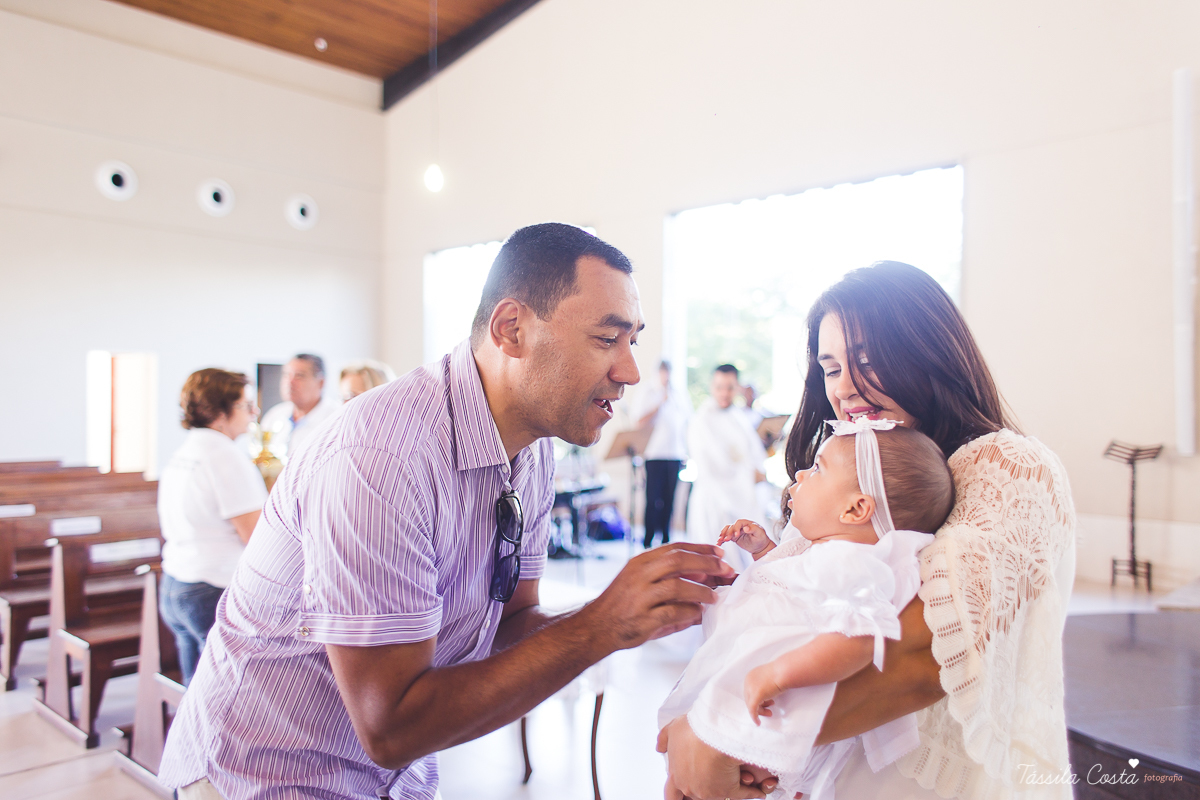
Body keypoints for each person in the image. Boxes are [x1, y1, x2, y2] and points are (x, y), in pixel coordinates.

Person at [158, 223, 735, 800]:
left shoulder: (531, 451)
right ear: (512, 330)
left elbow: (509, 626)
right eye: (606, 340)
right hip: (264, 777)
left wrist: (634, 614)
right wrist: (601, 624)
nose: (630, 371)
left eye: (632, 341)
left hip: (388, 779)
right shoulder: (381, 457)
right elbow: (391, 725)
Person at [659, 261, 1077, 800]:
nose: (846, 388)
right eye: (831, 368)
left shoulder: (1005, 464)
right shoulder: (843, 490)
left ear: (931, 353)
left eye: (868, 360)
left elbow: (922, 654)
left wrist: (722, 732)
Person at [658, 420, 954, 800]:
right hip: (737, 687)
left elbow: (860, 636)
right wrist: (765, 552)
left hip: (764, 702)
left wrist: (780, 674)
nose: (800, 472)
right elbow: (790, 591)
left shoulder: (855, 563)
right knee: (686, 774)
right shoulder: (819, 550)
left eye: (817, 469)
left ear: (855, 508)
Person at [157, 369, 268, 685]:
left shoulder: (187, 450)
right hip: (211, 588)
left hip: (177, 583)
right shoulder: (224, 456)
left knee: (195, 695)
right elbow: (257, 538)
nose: (254, 412)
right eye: (246, 404)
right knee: (222, 695)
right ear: (222, 412)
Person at [687, 364, 768, 568]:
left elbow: (753, 452)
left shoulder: (738, 416)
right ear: (712, 386)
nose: (724, 393)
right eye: (719, 387)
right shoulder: (701, 421)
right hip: (716, 502)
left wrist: (757, 471)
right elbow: (715, 468)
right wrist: (750, 475)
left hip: (742, 500)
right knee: (719, 569)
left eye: (730, 387)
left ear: (737, 387)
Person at [637, 359, 692, 548]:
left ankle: (666, 539)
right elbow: (639, 421)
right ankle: (648, 538)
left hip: (675, 454)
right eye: (663, 372)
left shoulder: (679, 394)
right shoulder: (648, 392)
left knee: (670, 499)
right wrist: (659, 403)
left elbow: (686, 424)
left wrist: (686, 452)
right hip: (654, 454)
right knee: (653, 498)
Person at [260, 353, 336, 459]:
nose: (290, 382)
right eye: (286, 375)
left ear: (321, 383)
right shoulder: (274, 415)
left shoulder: (335, 420)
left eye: (299, 376)